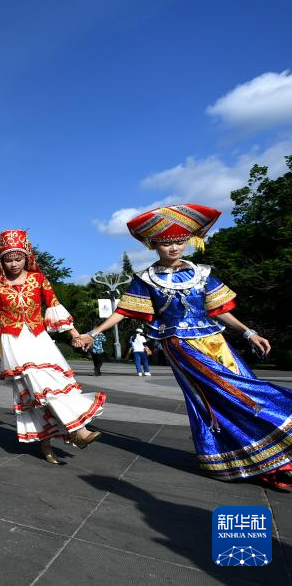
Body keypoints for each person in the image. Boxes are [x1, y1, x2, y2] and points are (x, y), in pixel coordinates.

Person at [77, 203, 291, 487]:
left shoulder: (203, 273)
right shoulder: (145, 279)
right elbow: (123, 311)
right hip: (179, 344)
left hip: (215, 340)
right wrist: (93, 332)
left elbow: (218, 310)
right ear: (154, 245)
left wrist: (248, 333)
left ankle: (275, 456)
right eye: (167, 243)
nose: (174, 248)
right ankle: (256, 456)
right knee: (224, 393)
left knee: (243, 385)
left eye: (179, 241)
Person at [0, 230, 105, 464]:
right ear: (1, 260)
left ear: (27, 257)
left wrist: (75, 335)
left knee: (53, 386)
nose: (14, 264)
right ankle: (70, 434)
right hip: (13, 341)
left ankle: (62, 437)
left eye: (18, 258)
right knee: (36, 389)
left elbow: (54, 304)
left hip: (39, 338)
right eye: (8, 259)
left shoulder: (38, 278)